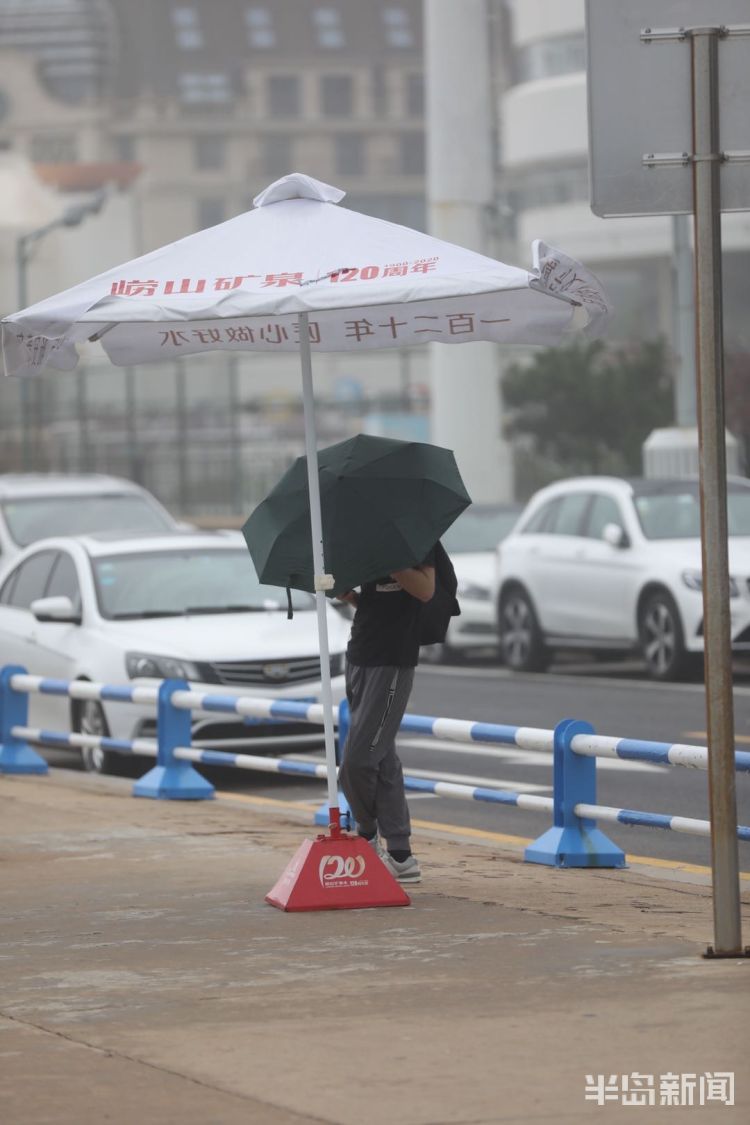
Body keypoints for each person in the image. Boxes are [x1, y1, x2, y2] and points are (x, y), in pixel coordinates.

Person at [337, 550, 436, 884]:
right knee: (383, 756)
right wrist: (349, 594)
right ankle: (400, 854)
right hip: (359, 653)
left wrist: (387, 561)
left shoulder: (416, 536)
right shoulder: (365, 535)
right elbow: (371, 601)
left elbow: (425, 589)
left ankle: (366, 833)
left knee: (358, 759)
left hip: (392, 659)